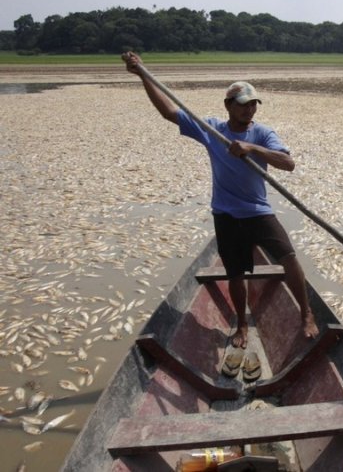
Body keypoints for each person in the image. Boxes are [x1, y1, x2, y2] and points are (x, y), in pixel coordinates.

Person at [122, 52, 319, 344]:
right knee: (235, 273)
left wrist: (252, 150)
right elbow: (169, 112)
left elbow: (287, 164)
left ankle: (306, 314)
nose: (249, 110)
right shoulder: (213, 129)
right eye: (243, 105)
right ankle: (240, 325)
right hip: (225, 214)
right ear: (228, 106)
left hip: (257, 211)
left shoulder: (263, 133)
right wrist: (142, 74)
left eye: (253, 104)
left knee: (288, 257)